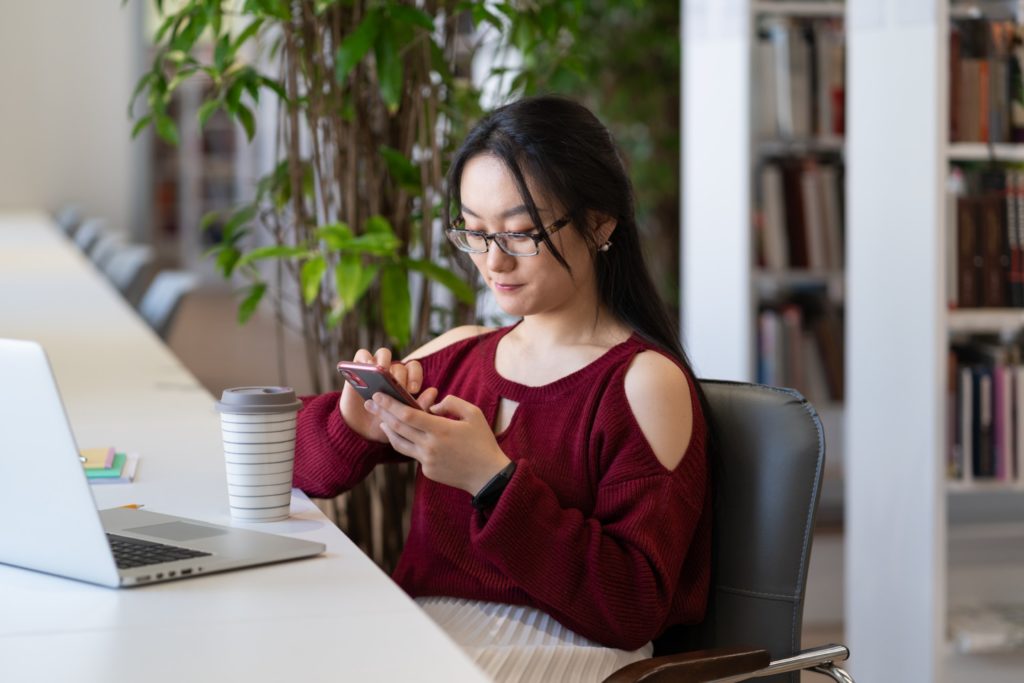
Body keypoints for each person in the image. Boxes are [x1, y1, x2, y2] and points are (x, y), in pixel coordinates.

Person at [293, 95, 711, 682]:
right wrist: (352, 425)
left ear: (599, 222)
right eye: (474, 232)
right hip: (429, 638)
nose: (493, 262)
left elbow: (633, 606)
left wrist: (491, 481)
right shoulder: (461, 354)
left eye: (521, 233)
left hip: (571, 656)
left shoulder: (641, 382)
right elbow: (300, 469)